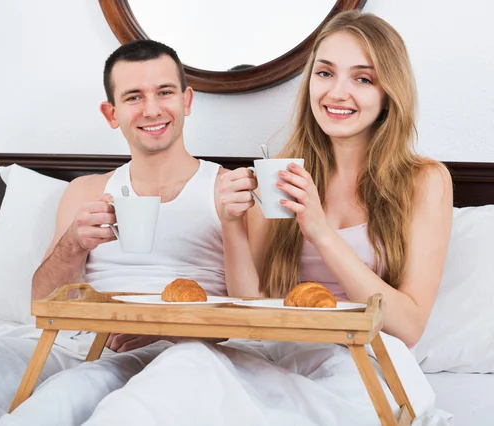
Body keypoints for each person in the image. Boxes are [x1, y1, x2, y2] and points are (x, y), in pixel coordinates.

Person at [82, 11, 454, 426]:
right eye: (325, 73)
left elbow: (408, 326)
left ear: (390, 91)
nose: (337, 92)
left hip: (367, 359)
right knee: (181, 367)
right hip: (280, 352)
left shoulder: (424, 181)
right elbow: (248, 303)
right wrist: (232, 225)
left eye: (362, 79)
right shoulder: (279, 174)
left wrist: (320, 232)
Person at [0, 39, 230, 425]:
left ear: (186, 100)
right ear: (111, 112)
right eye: (134, 97)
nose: (152, 109)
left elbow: (256, 304)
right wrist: (72, 244)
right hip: (83, 345)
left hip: (185, 350)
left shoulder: (228, 189)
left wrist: (158, 329)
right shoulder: (85, 192)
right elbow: (42, 304)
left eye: (164, 92)